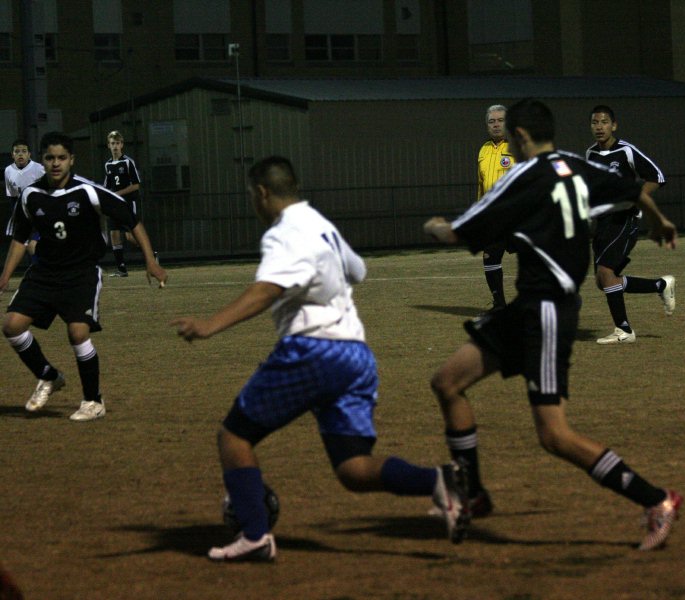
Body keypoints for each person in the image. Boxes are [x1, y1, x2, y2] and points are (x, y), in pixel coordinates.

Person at [170, 156, 470, 563]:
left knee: (234, 437)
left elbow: (267, 290)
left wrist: (210, 325)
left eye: (250, 197)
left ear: (261, 193)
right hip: (355, 354)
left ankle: (255, 535)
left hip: (313, 351)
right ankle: (438, 480)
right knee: (353, 468)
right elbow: (358, 271)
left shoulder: (285, 233)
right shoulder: (321, 224)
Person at [423, 99, 682, 551]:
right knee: (447, 382)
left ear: (520, 137)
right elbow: (634, 187)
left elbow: (461, 233)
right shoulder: (577, 167)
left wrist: (436, 227)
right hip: (528, 308)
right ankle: (476, 495)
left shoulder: (525, 176)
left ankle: (657, 500)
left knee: (554, 435)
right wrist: (660, 224)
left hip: (546, 311)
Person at [0, 131, 167, 421]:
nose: (55, 163)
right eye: (50, 158)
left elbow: (131, 219)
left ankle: (93, 400)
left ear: (71, 160)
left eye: (61, 158)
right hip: (44, 273)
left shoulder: (87, 191)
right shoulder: (31, 195)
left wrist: (150, 261)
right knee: (12, 326)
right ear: (43, 160)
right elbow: (19, 238)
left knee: (78, 333)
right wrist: (4, 277)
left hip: (80, 273)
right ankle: (48, 376)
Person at [586, 105, 675, 344]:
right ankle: (660, 285)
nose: (599, 127)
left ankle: (624, 330)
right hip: (603, 222)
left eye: (604, 122)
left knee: (606, 274)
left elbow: (657, 177)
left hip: (624, 221)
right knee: (603, 281)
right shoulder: (590, 154)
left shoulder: (626, 151)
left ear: (613, 125)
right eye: (595, 123)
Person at [476, 104, 516, 312]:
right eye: (492, 121)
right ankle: (499, 305)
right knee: (490, 258)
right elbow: (481, 186)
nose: (496, 125)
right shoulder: (483, 150)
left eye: (500, 120)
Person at [103, 130, 143, 277]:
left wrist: (118, 194)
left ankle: (151, 252)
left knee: (129, 236)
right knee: (114, 234)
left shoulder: (127, 162)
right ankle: (121, 268)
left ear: (122, 145)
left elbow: (136, 185)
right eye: (112, 143)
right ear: (108, 145)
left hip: (127, 203)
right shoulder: (108, 164)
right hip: (114, 205)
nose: (115, 146)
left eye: (118, 143)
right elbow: (107, 186)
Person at [5, 138, 45, 256]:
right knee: (24, 245)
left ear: (29, 154)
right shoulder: (8, 170)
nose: (20, 154)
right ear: (12, 155)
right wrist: (16, 215)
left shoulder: (39, 169)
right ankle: (32, 270)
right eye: (17, 151)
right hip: (23, 214)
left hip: (39, 212)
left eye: (24, 151)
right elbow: (12, 196)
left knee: (36, 244)